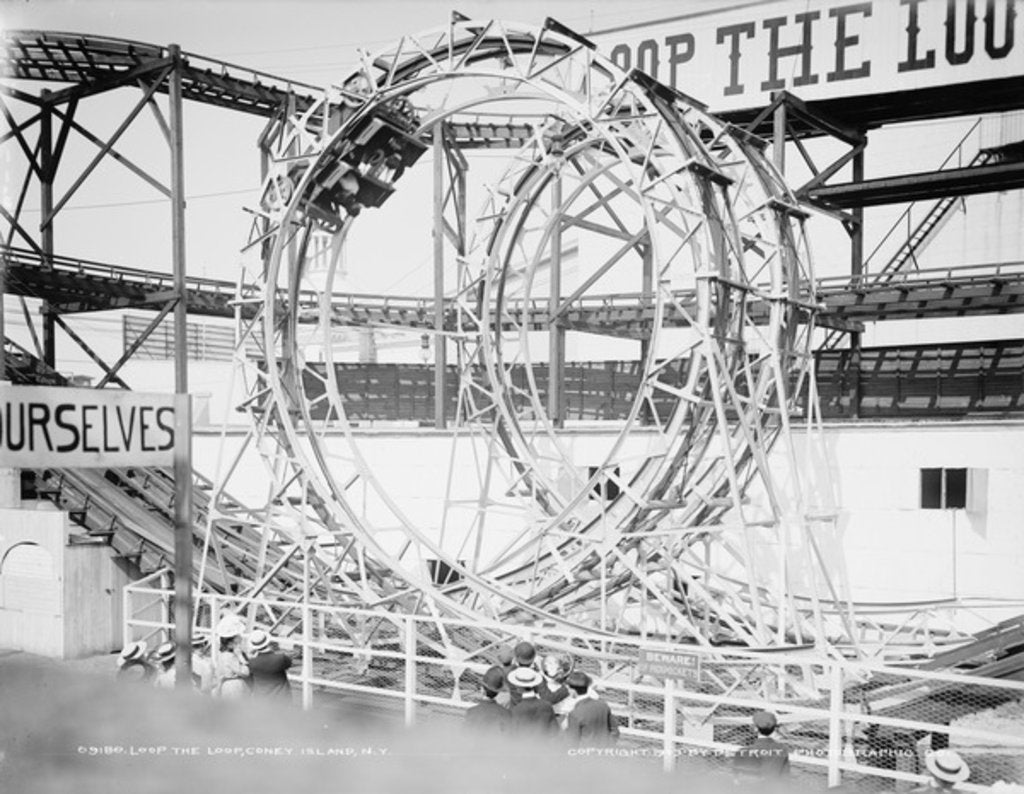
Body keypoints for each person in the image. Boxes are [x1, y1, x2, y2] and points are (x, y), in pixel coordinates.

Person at [564, 671, 619, 746]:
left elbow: (572, 742)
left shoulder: (575, 714)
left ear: (573, 691)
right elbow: (615, 732)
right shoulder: (603, 705)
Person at [733, 710, 790, 779]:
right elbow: (785, 777)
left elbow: (736, 778)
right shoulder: (782, 751)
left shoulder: (741, 751)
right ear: (774, 729)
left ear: (755, 729)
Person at [508, 667, 559, 737]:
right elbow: (555, 733)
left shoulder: (516, 710)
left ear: (518, 687)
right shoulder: (547, 706)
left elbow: (512, 737)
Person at [247, 629, 293, 701]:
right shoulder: (280, 658)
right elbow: (289, 663)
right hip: (281, 698)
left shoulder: (252, 662)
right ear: (268, 642)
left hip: (261, 699)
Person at [464, 665, 511, 733]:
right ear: (498, 691)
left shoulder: (471, 712)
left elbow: (465, 735)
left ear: (482, 689)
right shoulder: (506, 714)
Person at [213, 615, 250, 699]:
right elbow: (245, 672)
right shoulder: (230, 656)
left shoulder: (221, 654)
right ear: (233, 639)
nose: (240, 637)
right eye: (238, 635)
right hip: (234, 687)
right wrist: (241, 658)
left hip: (227, 686)